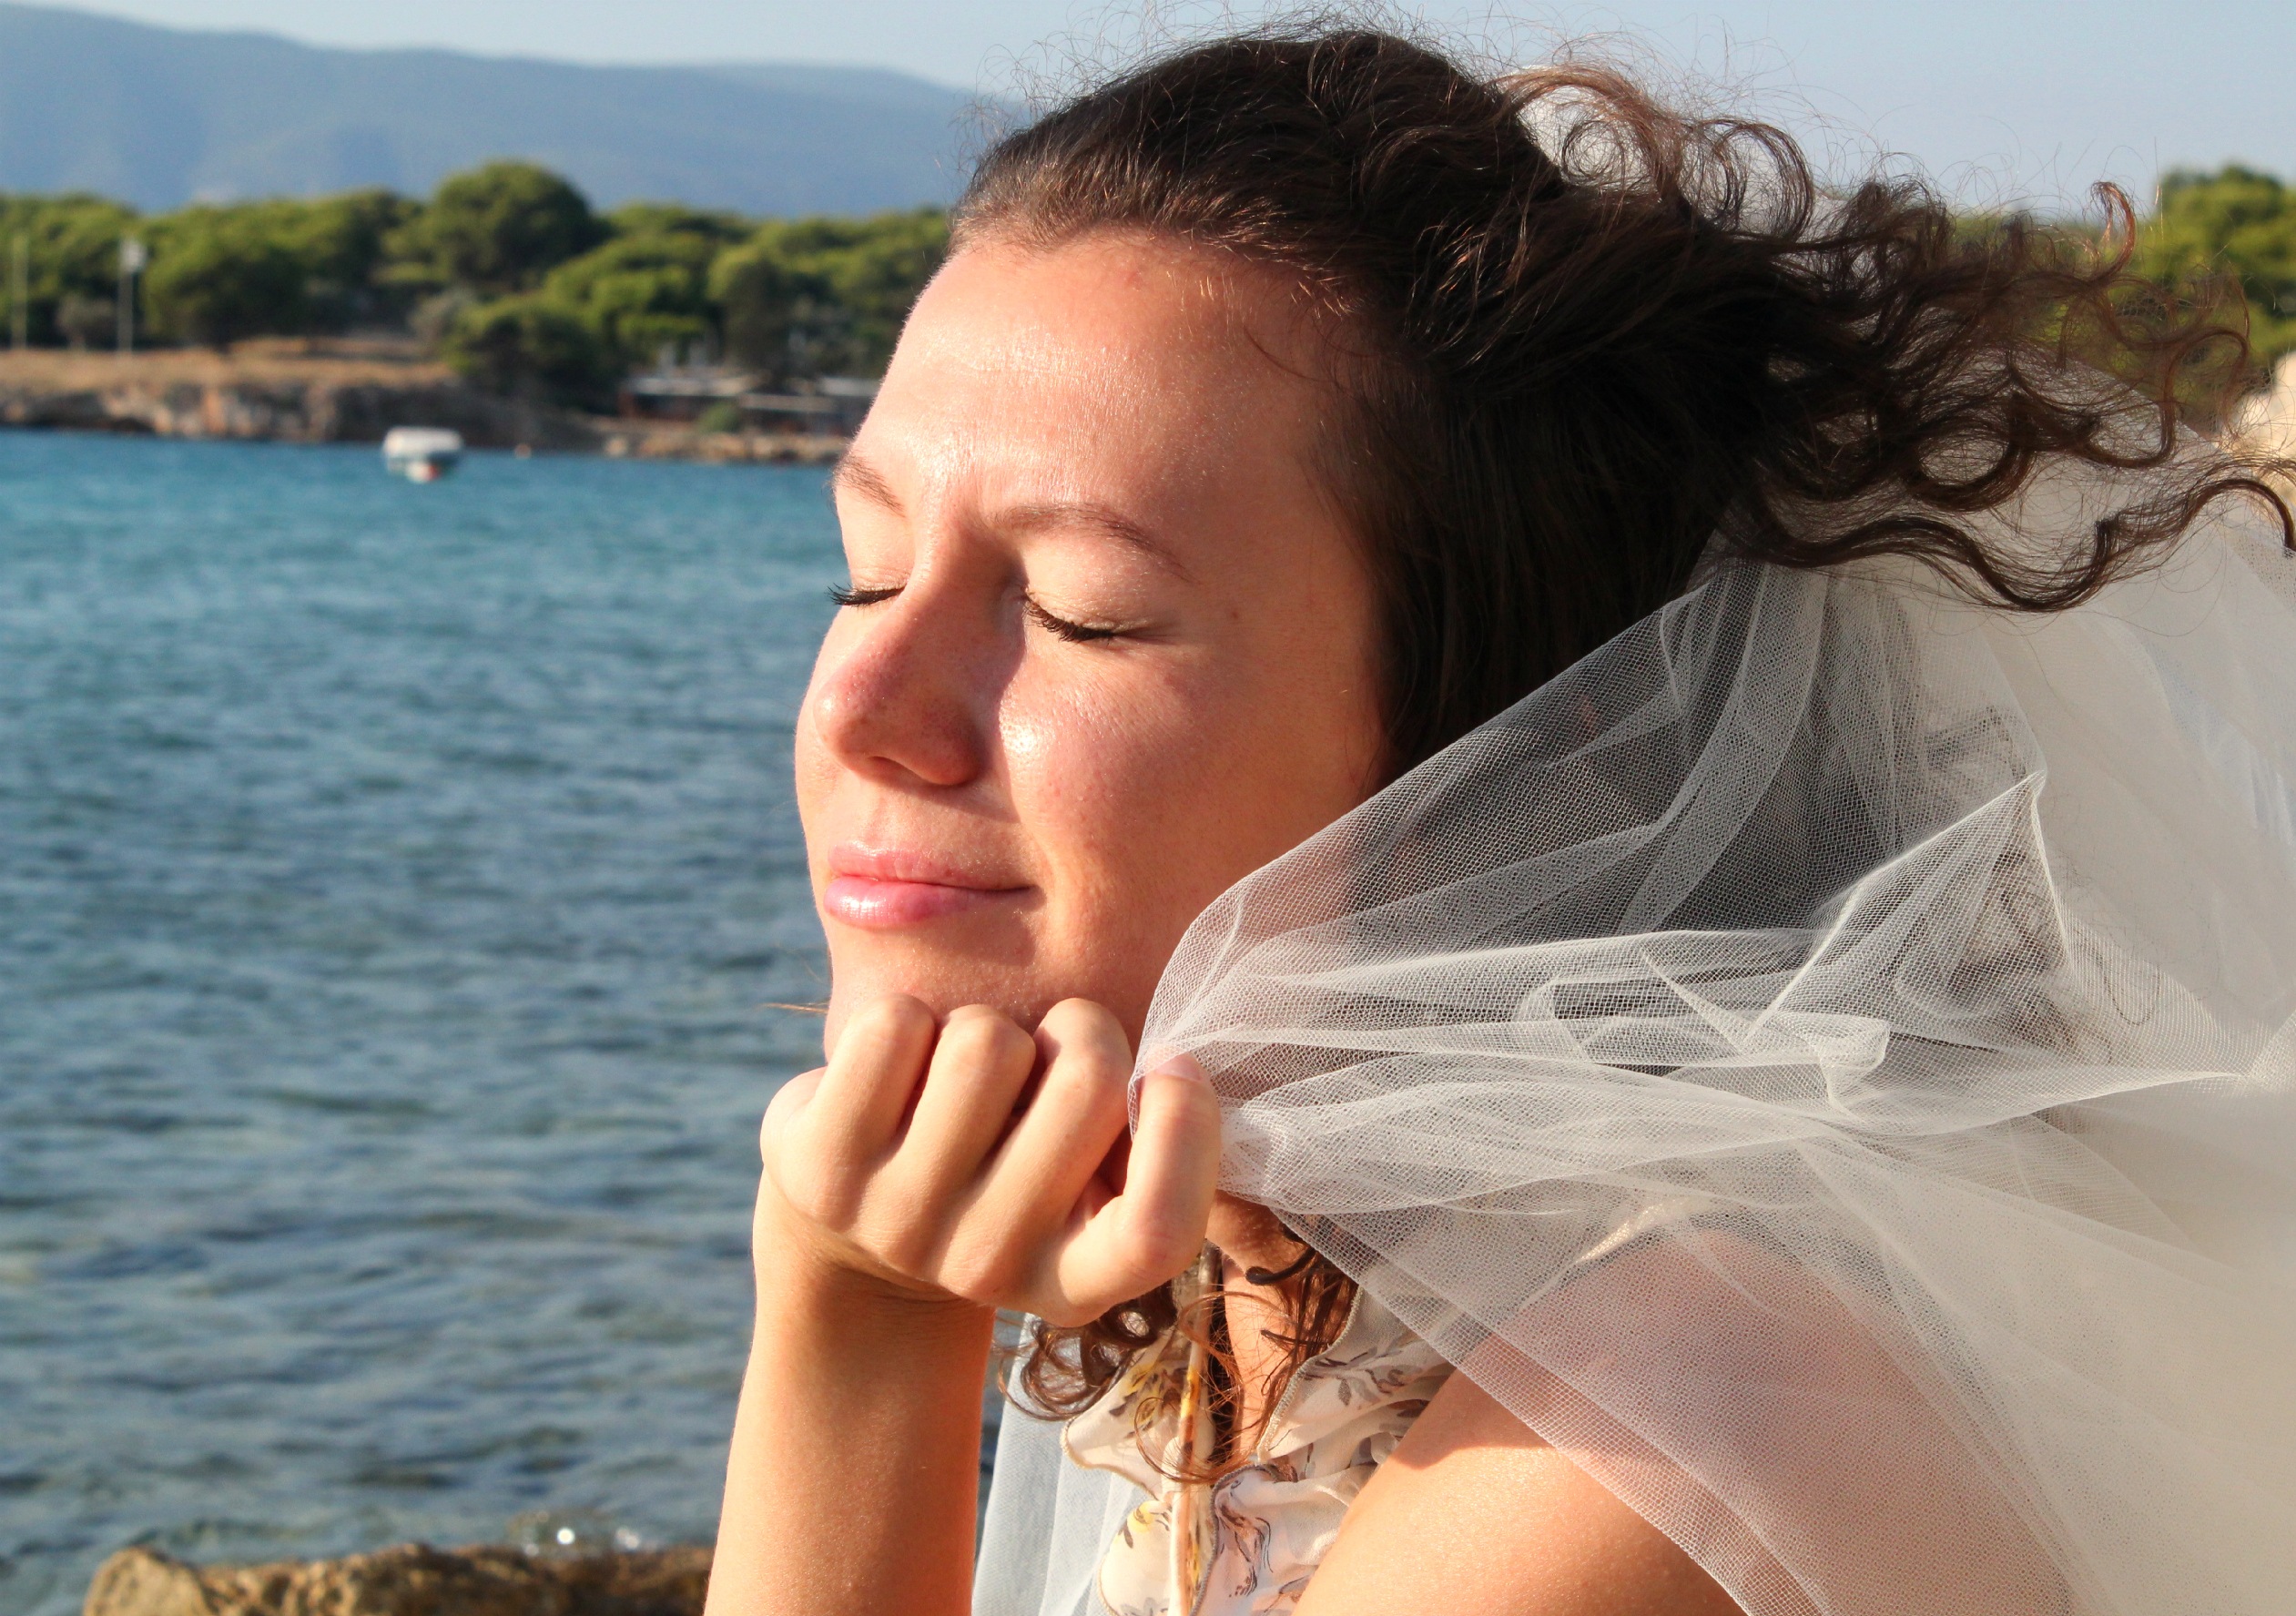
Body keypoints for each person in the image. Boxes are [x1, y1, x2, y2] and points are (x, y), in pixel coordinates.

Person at [703, 26, 2296, 1616]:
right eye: (867, 574)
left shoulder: (1696, 1402)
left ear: (1519, 752)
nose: (859, 709)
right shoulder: (1266, 1287)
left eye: (1081, 611)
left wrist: (863, 1330)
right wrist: (842, 1260)